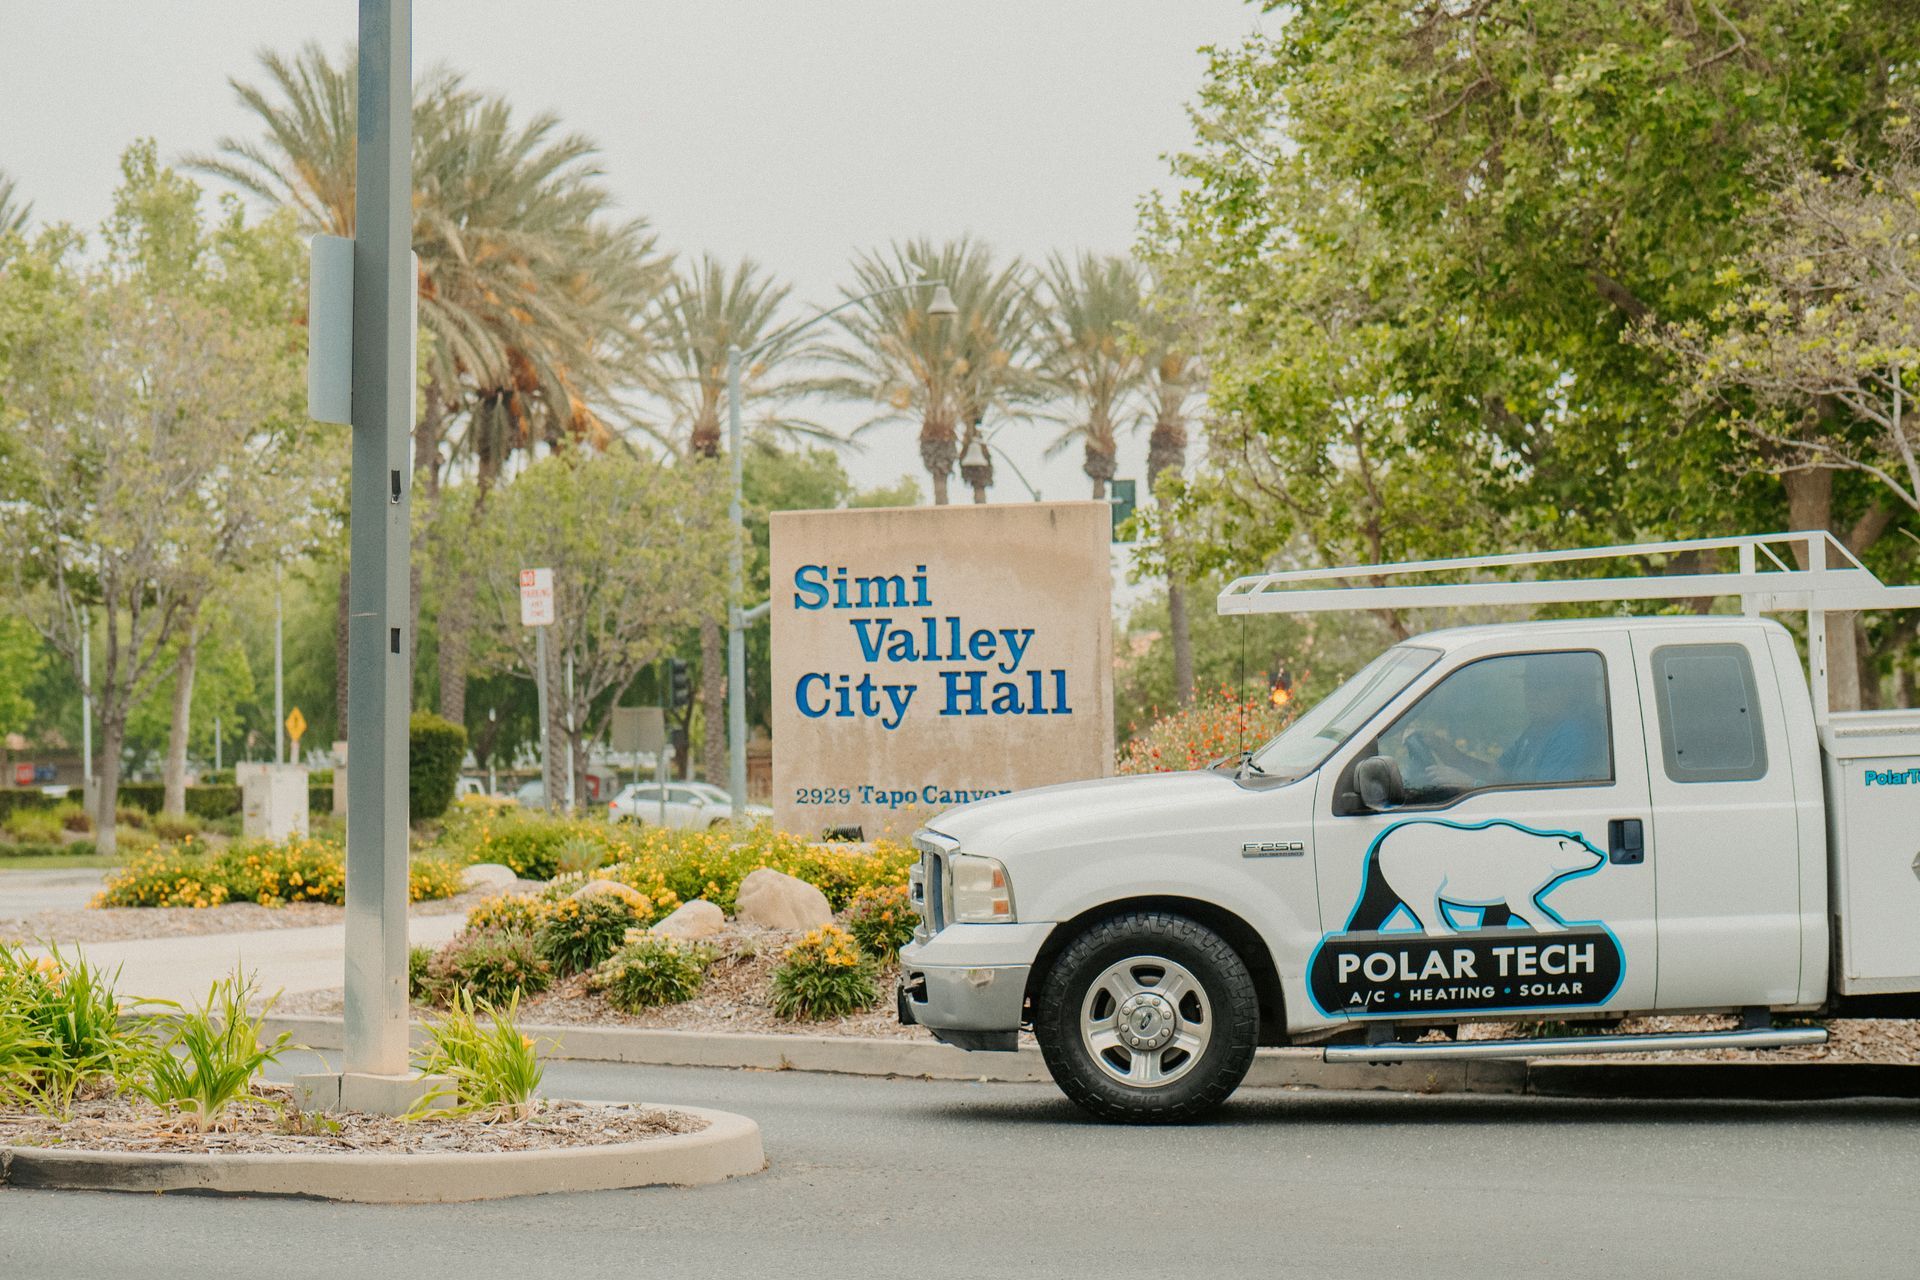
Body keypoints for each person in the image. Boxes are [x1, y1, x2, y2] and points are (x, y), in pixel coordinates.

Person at [1411, 656, 1608, 794]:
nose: (1532, 692)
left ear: (1568, 689)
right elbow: (1496, 774)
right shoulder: (1539, 727)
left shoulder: (1572, 734)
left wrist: (1470, 785)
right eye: (1529, 683)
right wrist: (1448, 752)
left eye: (1543, 685)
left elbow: (1544, 802)